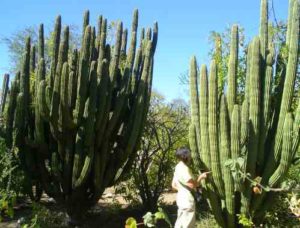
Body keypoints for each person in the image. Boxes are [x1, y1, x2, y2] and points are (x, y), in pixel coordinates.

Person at [171, 147, 210, 228]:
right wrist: (201, 177)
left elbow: (173, 185)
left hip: (181, 199)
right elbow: (192, 185)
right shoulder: (184, 169)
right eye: (189, 154)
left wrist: (182, 190)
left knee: (179, 225)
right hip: (187, 201)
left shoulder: (177, 167)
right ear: (186, 156)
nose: (191, 156)